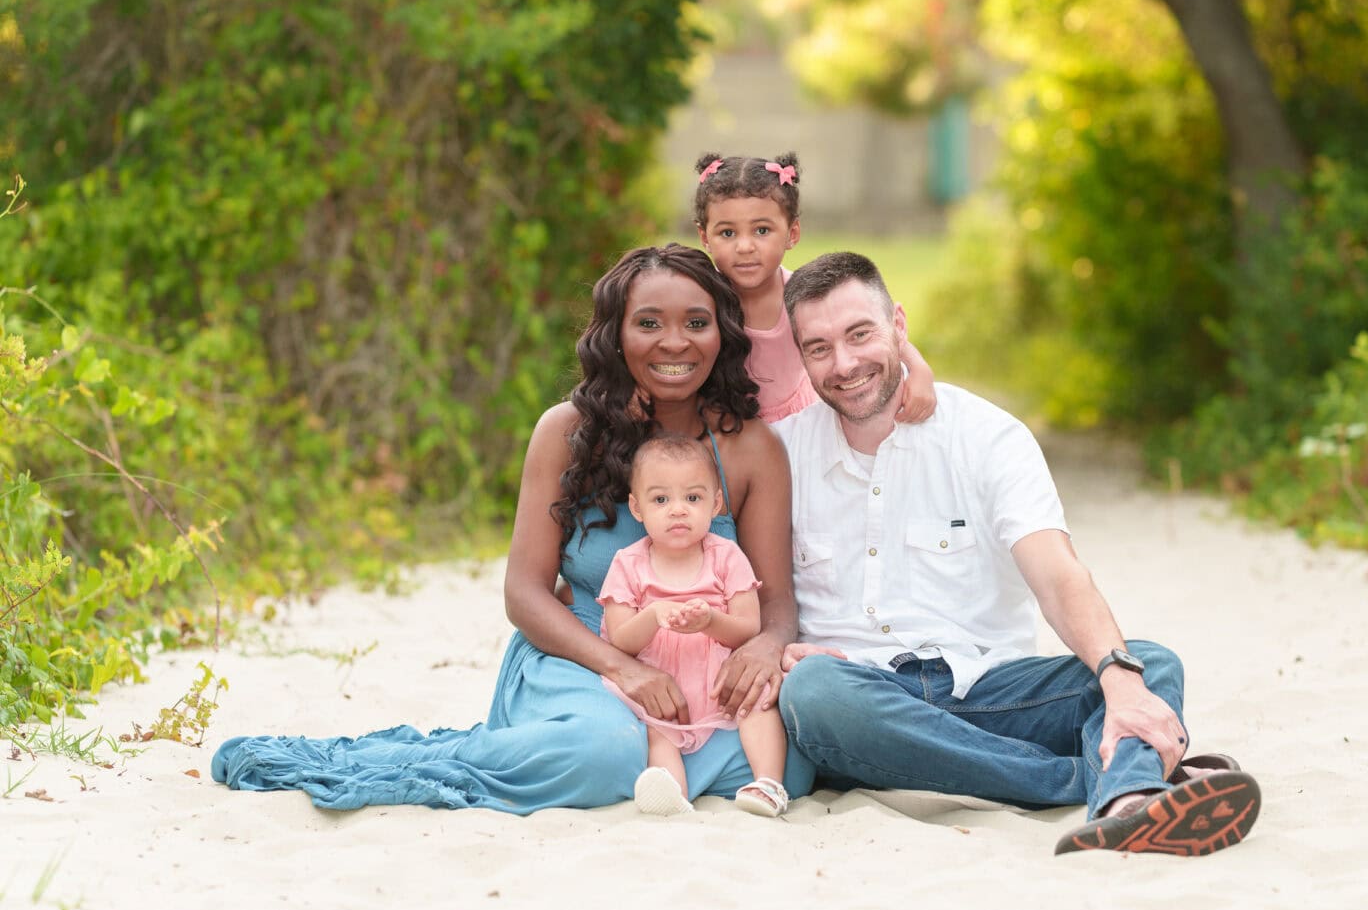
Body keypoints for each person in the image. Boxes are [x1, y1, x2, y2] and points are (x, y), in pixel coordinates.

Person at [212, 244, 813, 812]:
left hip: (700, 667)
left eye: (697, 323)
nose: (674, 342)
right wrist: (621, 666)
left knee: (794, 766)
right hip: (578, 654)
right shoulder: (565, 432)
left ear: (722, 333)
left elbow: (777, 603)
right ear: (617, 334)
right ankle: (548, 753)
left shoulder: (751, 447)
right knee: (604, 751)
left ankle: (652, 764)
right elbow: (524, 593)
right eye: (649, 323)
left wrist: (761, 648)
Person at [770, 251, 1260, 856]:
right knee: (813, 692)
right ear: (800, 356)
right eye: (819, 348)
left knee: (1148, 665)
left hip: (993, 693)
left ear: (899, 324)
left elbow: (1058, 577)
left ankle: (1127, 800)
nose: (844, 364)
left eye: (859, 334)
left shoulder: (987, 437)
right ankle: (1107, 782)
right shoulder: (780, 457)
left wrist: (1119, 679)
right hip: (867, 705)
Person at [599, 432, 790, 817]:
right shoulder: (628, 564)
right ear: (637, 508)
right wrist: (652, 617)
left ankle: (769, 783)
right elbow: (620, 640)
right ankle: (673, 798)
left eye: (693, 498)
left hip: (721, 685)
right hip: (664, 691)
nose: (677, 510)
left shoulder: (726, 556)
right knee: (659, 733)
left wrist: (710, 621)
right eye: (660, 499)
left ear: (715, 503)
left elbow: (748, 626)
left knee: (757, 705)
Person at [692, 151, 937, 424]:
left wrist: (919, 370)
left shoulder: (807, 296)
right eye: (728, 233)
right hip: (732, 427)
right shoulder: (700, 300)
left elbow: (874, 330)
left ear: (792, 233)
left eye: (761, 230)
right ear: (704, 237)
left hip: (805, 424)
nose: (745, 246)